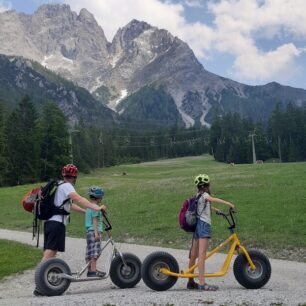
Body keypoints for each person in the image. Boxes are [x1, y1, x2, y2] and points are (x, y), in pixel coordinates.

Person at [34, 164, 106, 296]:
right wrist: (96, 208)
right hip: (56, 224)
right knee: (50, 253)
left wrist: (86, 212)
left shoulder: (60, 186)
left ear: (63, 174)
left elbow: (70, 205)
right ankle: (40, 284)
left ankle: (43, 284)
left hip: (50, 223)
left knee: (51, 252)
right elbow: (78, 199)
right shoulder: (67, 186)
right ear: (75, 176)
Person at [187, 174, 235, 291]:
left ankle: (190, 281)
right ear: (206, 186)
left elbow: (203, 205)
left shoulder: (198, 195)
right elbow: (211, 199)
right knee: (202, 254)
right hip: (204, 225)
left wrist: (214, 209)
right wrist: (229, 204)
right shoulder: (205, 194)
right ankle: (202, 284)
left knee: (194, 255)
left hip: (197, 226)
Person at [85, 186, 106, 277]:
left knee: (90, 251)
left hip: (89, 232)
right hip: (94, 232)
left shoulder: (89, 207)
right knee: (95, 251)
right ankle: (93, 271)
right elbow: (95, 220)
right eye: (101, 197)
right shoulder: (95, 207)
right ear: (98, 197)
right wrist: (97, 233)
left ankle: (90, 270)